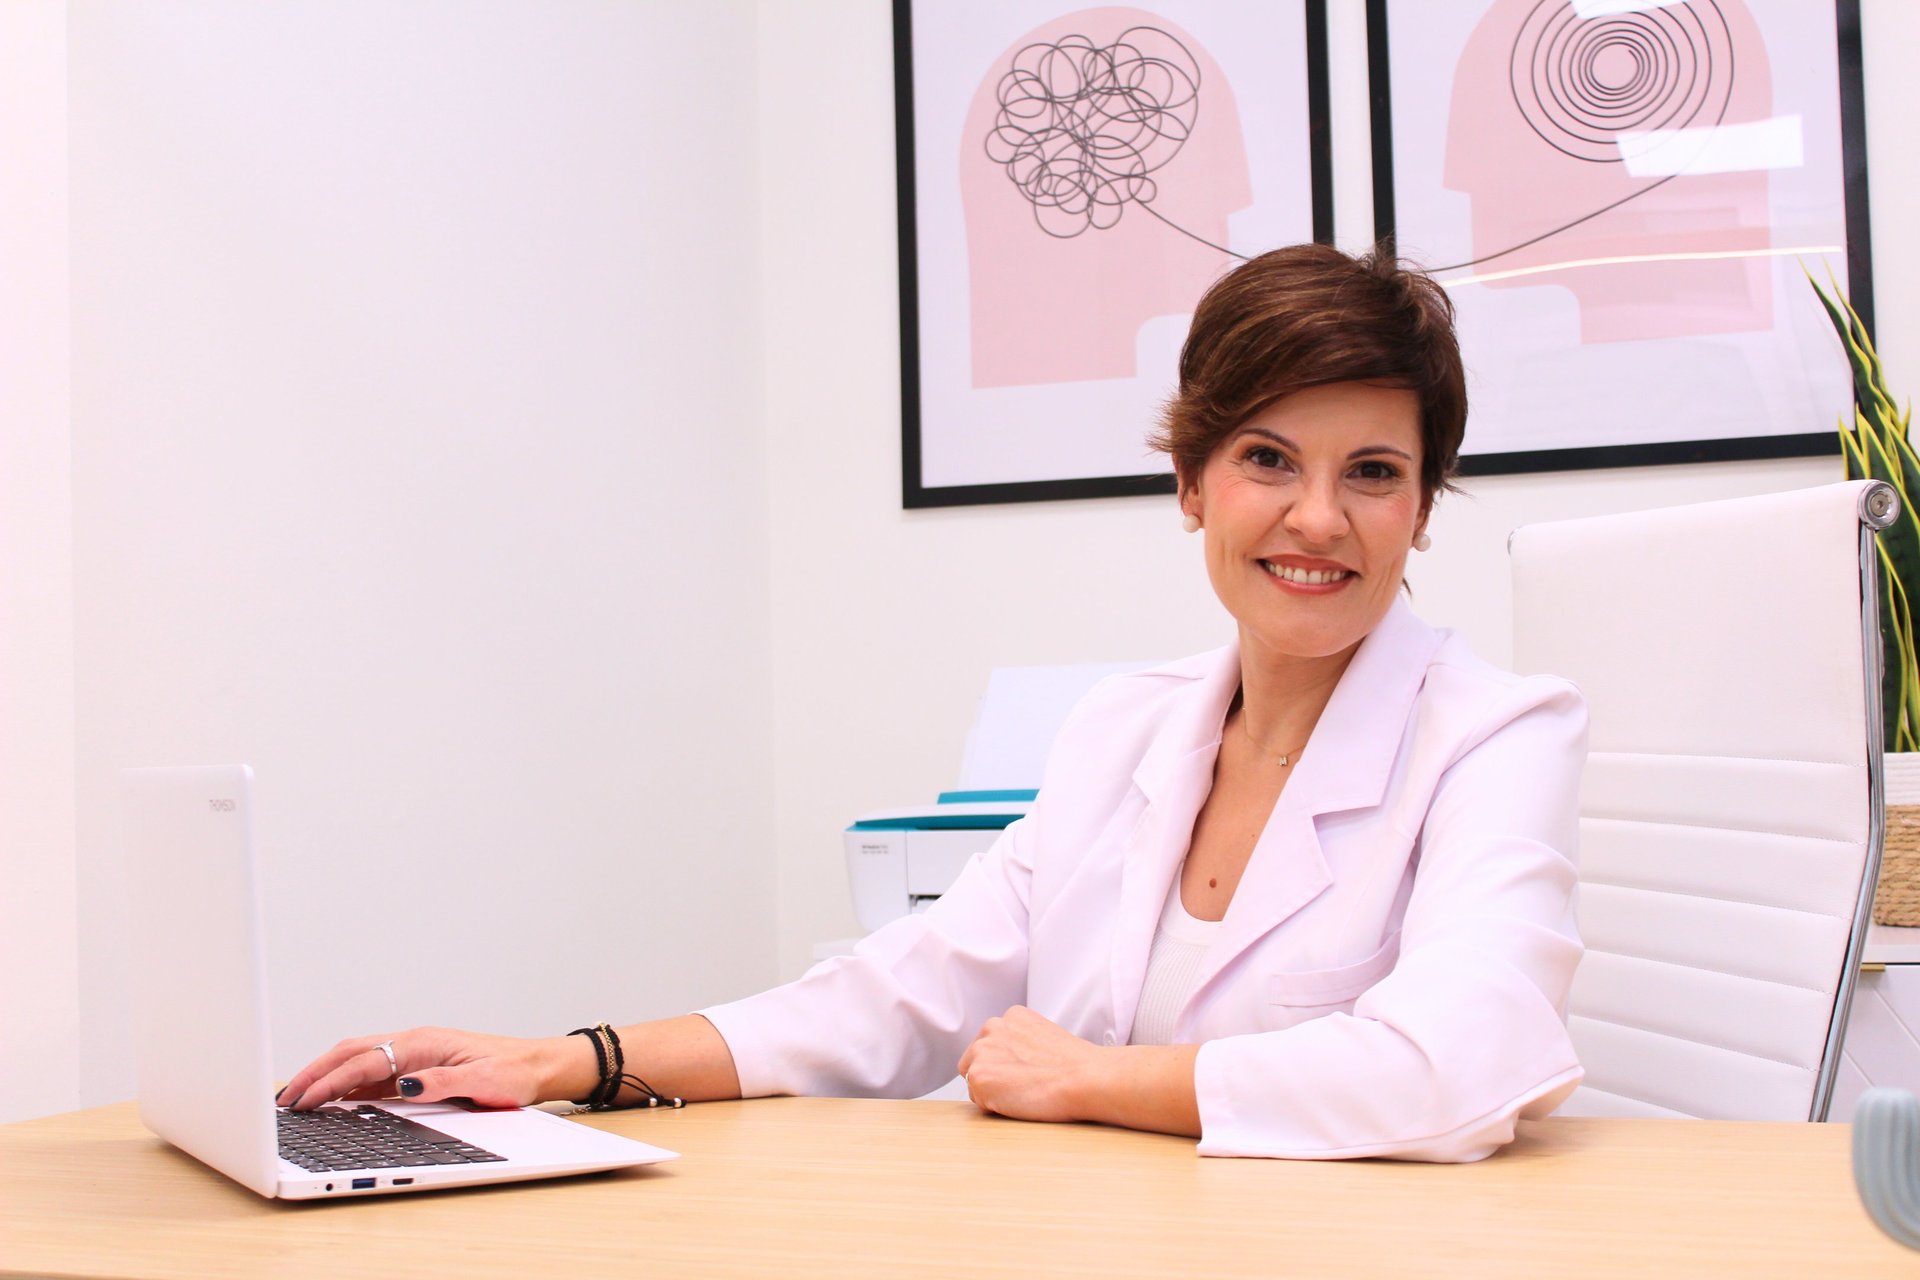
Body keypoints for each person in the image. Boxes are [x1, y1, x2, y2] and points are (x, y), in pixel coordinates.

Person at [279, 244, 1587, 1162]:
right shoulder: (1127, 728)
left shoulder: (1494, 734)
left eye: (1371, 471)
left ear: (1422, 509)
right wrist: (577, 1060)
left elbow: (1463, 1066)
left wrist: (1096, 1082)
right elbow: (895, 997)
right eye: (1266, 460)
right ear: (1190, 481)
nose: (1317, 517)